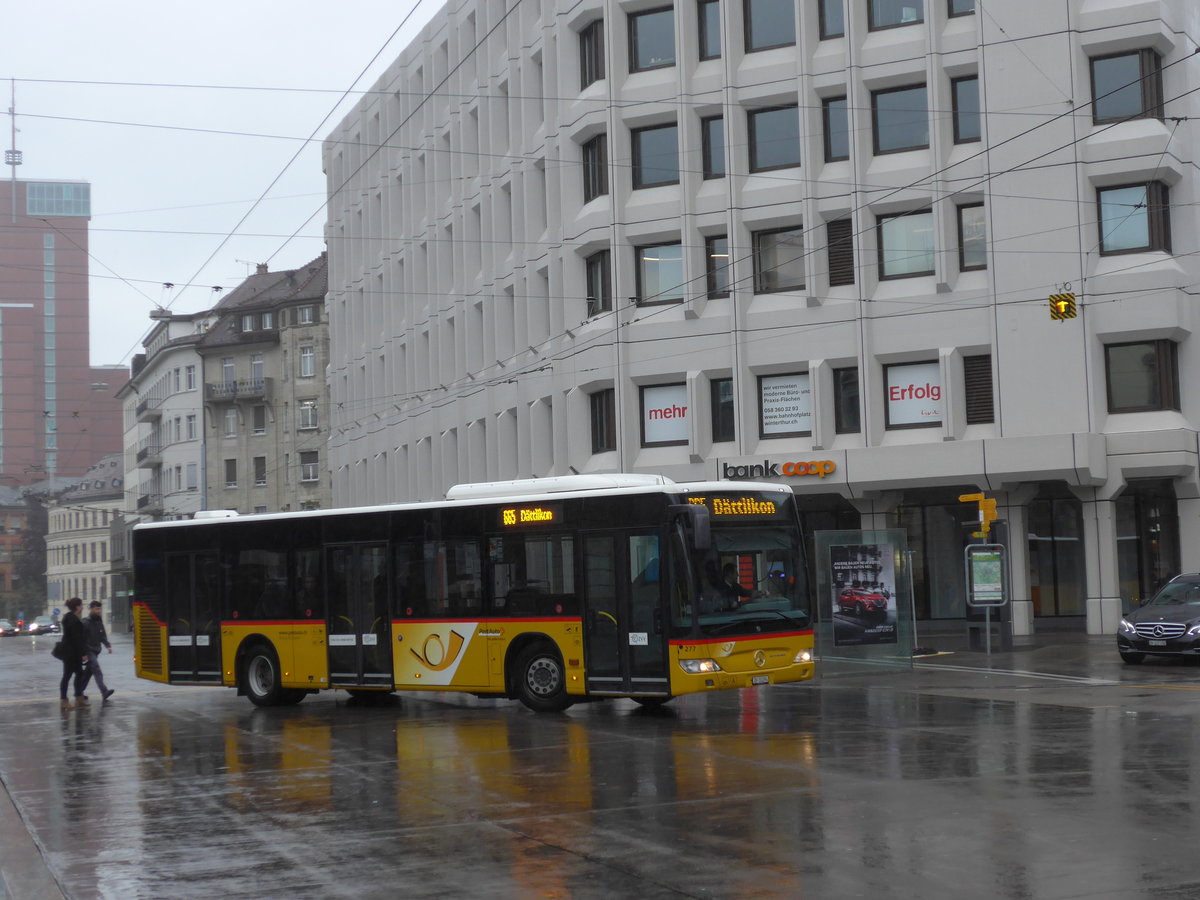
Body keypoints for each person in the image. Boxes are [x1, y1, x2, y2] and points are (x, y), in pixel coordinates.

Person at [58, 597, 90, 710]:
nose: (82, 608)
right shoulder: (73, 620)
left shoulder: (69, 618)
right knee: (67, 676)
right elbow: (76, 639)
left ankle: (78, 697)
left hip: (71, 652)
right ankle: (64, 700)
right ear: (77, 607)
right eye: (81, 606)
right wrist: (83, 653)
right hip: (71, 653)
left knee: (79, 674)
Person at [79, 600, 114, 702]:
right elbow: (80, 639)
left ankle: (79, 692)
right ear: (91, 609)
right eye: (97, 609)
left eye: (100, 609)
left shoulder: (99, 621)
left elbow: (102, 635)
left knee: (88, 673)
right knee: (97, 670)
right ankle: (104, 691)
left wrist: (108, 645)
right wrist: (83, 653)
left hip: (96, 651)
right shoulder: (85, 622)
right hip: (88, 651)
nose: (99, 611)